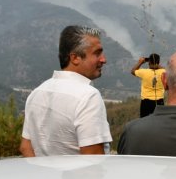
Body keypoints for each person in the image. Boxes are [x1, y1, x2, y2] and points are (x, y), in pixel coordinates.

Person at [19, 25, 112, 156]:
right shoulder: (88, 96)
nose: (104, 59)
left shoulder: (36, 93)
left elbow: (26, 147)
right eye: (97, 53)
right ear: (75, 58)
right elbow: (93, 161)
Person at [130, 53, 166, 117]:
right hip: (159, 101)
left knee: (144, 121)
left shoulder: (144, 72)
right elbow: (167, 71)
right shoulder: (163, 72)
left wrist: (140, 62)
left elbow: (133, 71)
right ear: (158, 62)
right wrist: (157, 64)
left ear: (149, 62)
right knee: (159, 122)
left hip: (146, 102)